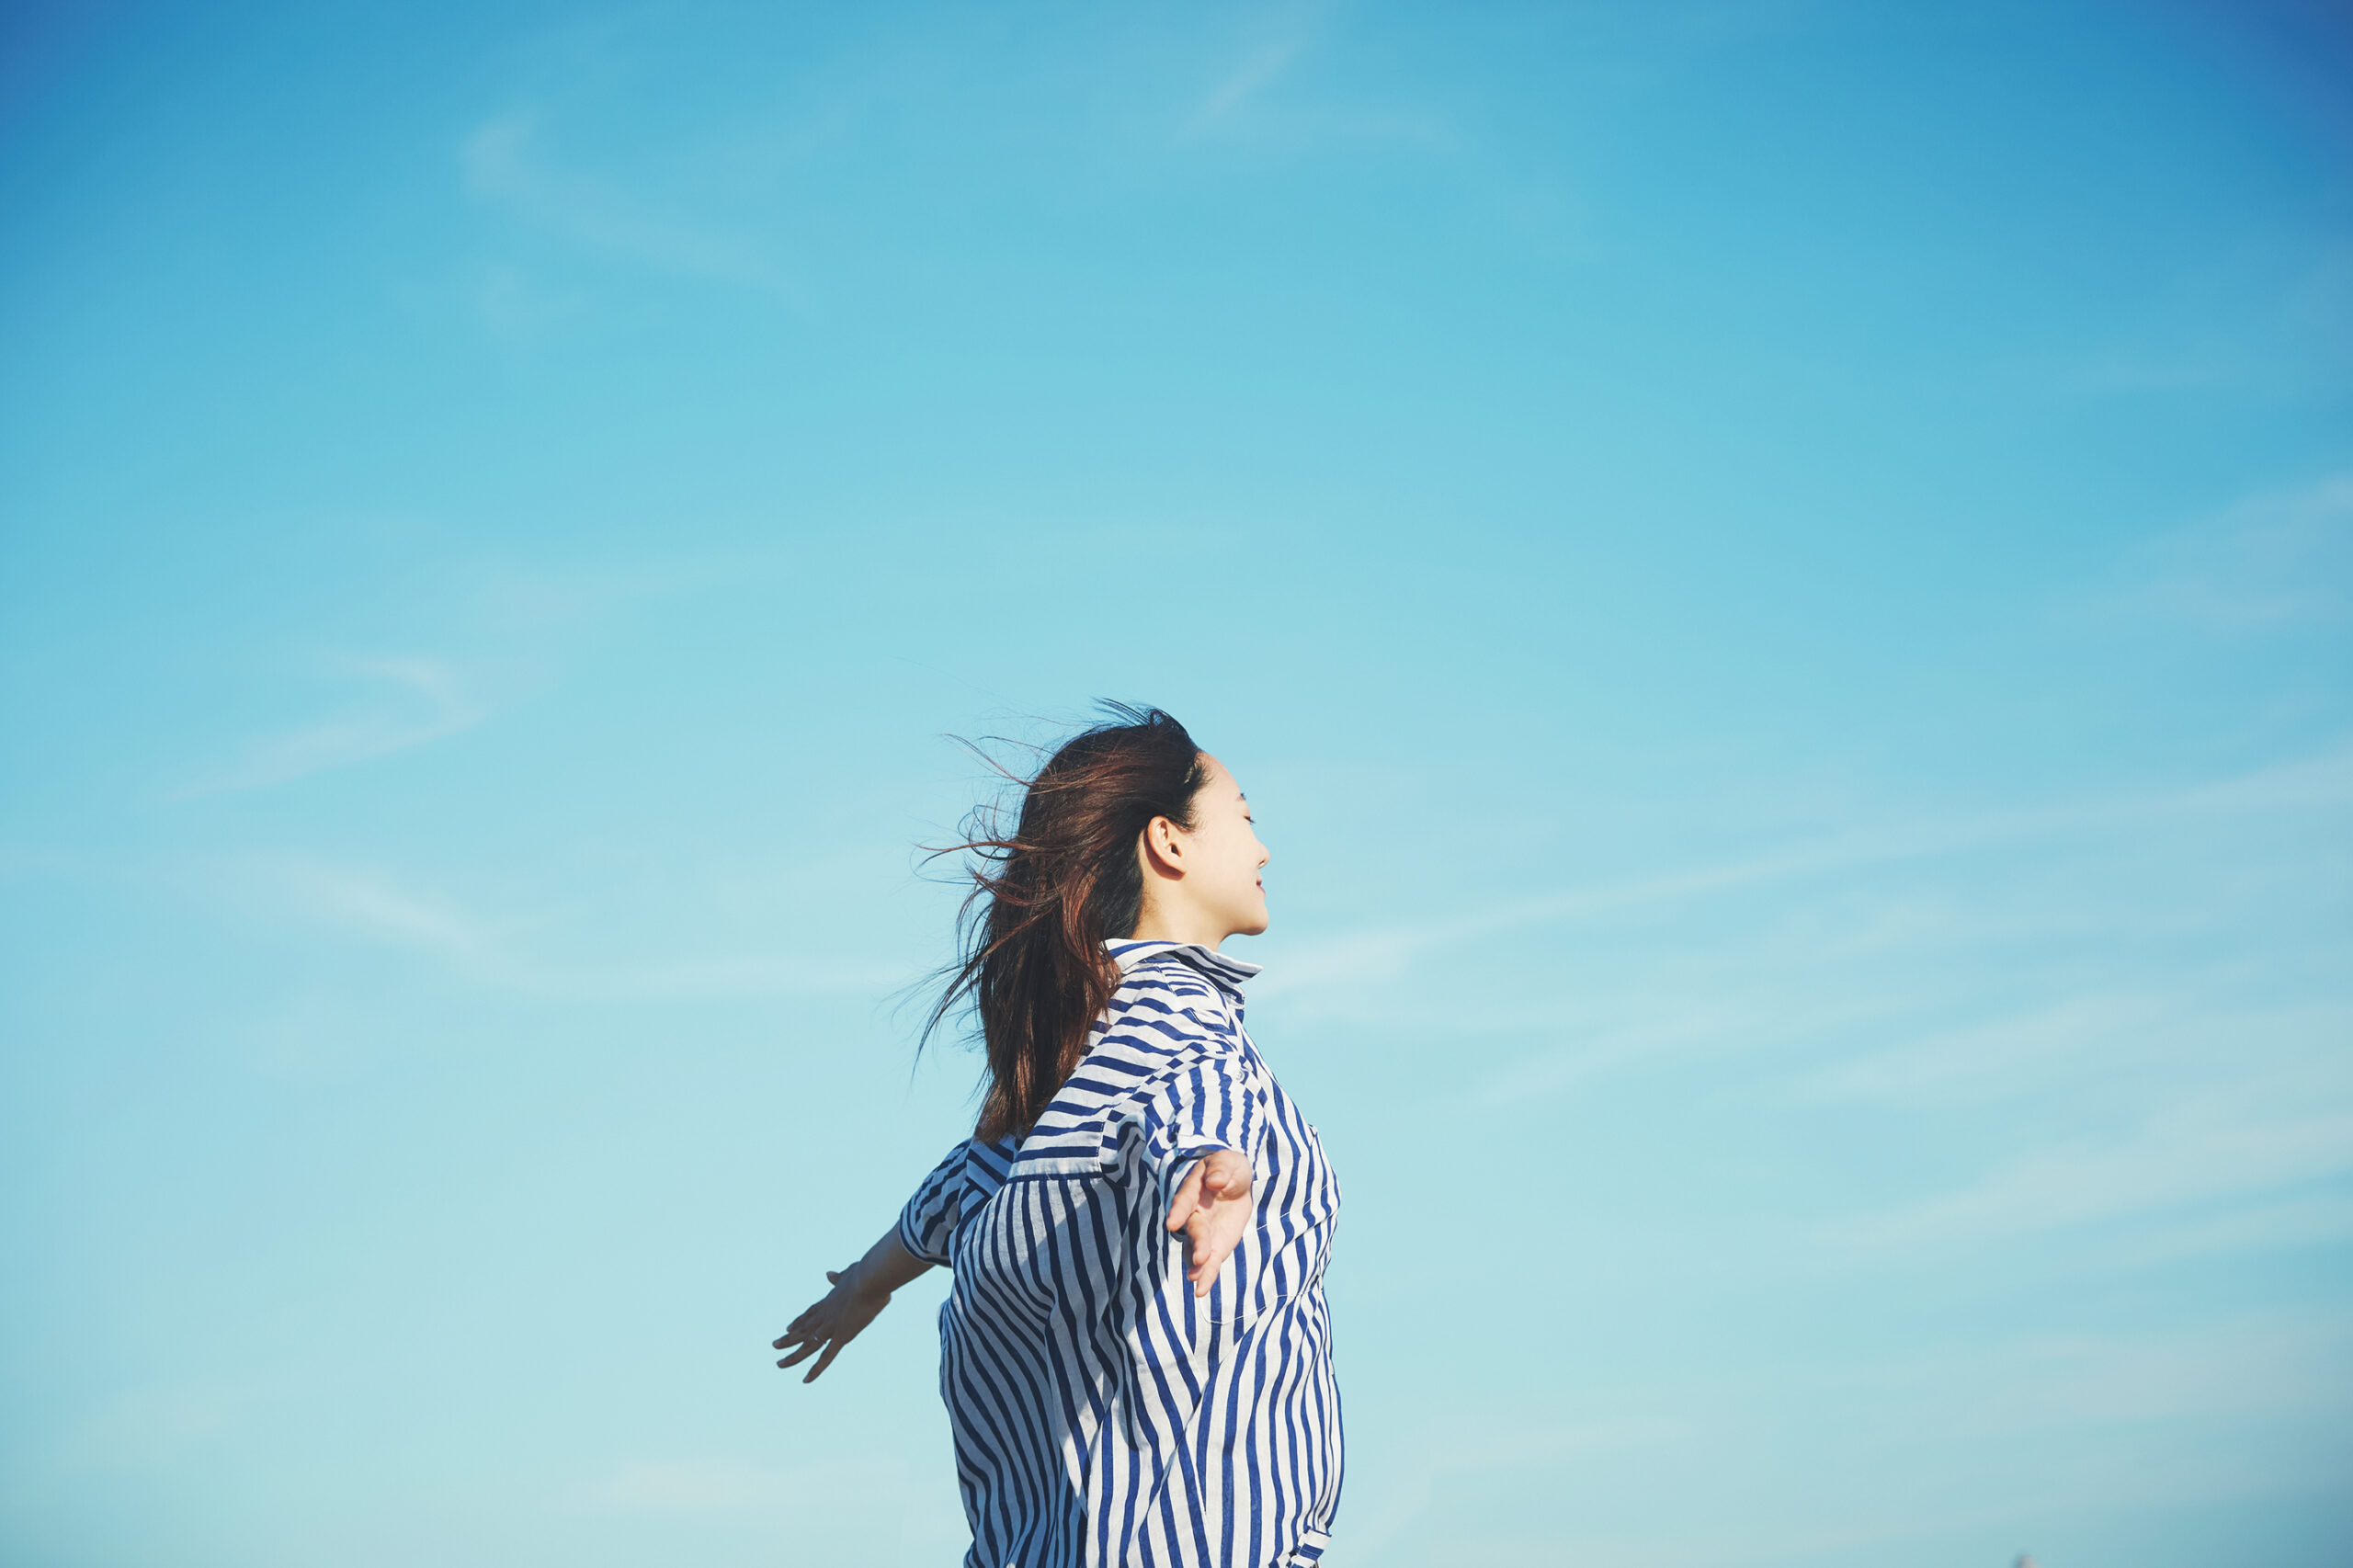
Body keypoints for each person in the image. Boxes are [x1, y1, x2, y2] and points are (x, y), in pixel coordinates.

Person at [773, 704, 1343, 1567]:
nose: (1263, 849)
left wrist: (866, 1280)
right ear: (1169, 841)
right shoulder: (1183, 1021)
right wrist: (1215, 1161)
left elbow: (970, 1185)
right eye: (1245, 817)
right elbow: (1197, 1094)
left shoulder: (1075, 1062)